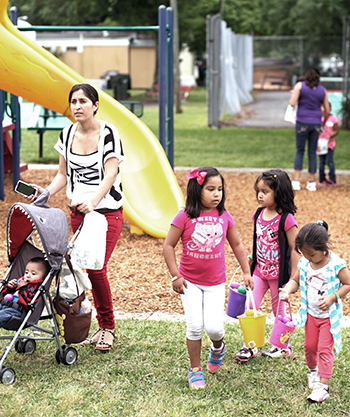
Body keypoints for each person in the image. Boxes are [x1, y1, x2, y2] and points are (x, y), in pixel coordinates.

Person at [31, 83, 125, 352]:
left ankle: (107, 327)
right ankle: (86, 323)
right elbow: (63, 175)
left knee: (96, 267)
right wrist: (46, 192)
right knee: (82, 268)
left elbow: (111, 174)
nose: (77, 106)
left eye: (83, 101)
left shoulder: (108, 133)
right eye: (73, 101)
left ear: (95, 105)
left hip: (106, 213)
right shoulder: (68, 133)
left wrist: (93, 202)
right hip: (78, 213)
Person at [163, 167, 253, 389]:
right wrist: (175, 276)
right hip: (189, 282)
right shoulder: (184, 216)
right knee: (194, 327)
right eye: (211, 189)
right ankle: (195, 370)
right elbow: (168, 246)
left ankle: (217, 347)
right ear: (197, 190)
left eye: (220, 189)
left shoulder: (224, 216)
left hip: (215, 283)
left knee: (214, 329)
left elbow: (238, 244)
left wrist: (246, 271)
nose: (217, 194)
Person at [280, 221, 350, 403]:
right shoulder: (305, 263)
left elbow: (348, 284)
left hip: (328, 317)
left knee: (325, 350)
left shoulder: (336, 264)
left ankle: (322, 386)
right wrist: (287, 290)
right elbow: (295, 280)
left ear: (324, 247)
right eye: (304, 254)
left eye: (311, 254)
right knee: (310, 347)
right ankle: (312, 371)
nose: (308, 258)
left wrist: (332, 297)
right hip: (311, 314)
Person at [235, 169, 299, 361]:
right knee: (250, 305)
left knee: (278, 310)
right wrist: (251, 260)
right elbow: (258, 240)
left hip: (278, 275)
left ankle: (282, 346)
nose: (260, 195)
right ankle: (250, 346)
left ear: (278, 192)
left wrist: (293, 278)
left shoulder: (286, 218)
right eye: (258, 191)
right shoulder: (258, 214)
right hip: (259, 271)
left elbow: (295, 249)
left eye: (265, 191)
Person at [289, 68, 330, 192]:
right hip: (316, 123)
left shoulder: (299, 86)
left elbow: (292, 103)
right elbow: (327, 109)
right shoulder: (322, 90)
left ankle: (296, 180)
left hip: (302, 121)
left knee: (300, 150)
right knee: (312, 152)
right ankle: (311, 182)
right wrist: (323, 123)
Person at [0, 257, 50, 327]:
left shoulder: (37, 288)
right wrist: (10, 287)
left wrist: (23, 288)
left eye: (33, 273)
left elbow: (29, 300)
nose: (28, 275)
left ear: (44, 277)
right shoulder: (21, 281)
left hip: (17, 312)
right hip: (5, 305)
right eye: (26, 272)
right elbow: (4, 294)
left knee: (1, 316)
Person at [318, 103, 339, 187]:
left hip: (330, 144)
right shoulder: (319, 119)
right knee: (321, 162)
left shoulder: (333, 119)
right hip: (321, 145)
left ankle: (332, 178)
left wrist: (330, 135)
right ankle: (322, 178)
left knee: (330, 161)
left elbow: (336, 131)